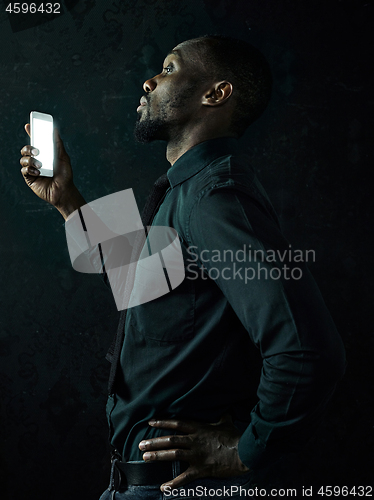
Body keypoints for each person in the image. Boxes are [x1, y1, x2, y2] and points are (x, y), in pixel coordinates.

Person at [20, 35, 346, 499]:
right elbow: (143, 279)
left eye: (169, 69)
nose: (149, 81)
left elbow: (307, 348)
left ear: (216, 94)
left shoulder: (215, 197)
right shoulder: (187, 192)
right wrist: (66, 200)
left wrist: (248, 450)